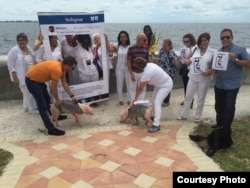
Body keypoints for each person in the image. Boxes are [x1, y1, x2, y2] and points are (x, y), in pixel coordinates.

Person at [25, 56, 78, 136]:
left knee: (47, 101)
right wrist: (57, 100)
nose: (72, 70)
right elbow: (53, 88)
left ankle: (54, 116)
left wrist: (72, 96)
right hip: (32, 80)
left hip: (38, 80)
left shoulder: (62, 68)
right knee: (42, 105)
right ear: (67, 66)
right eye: (73, 68)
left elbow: (65, 84)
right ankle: (50, 129)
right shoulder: (57, 69)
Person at [212, 28, 250, 129]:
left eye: (227, 37)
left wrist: (235, 59)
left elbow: (248, 63)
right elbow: (216, 69)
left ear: (232, 38)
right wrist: (212, 69)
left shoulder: (240, 49)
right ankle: (219, 124)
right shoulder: (218, 52)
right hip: (219, 84)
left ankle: (226, 128)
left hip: (232, 85)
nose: (225, 39)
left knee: (229, 107)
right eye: (222, 37)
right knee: (218, 106)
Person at [178, 32, 215, 123]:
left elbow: (215, 68)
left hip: (204, 78)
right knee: (188, 96)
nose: (203, 42)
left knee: (201, 97)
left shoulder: (212, 52)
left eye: (205, 40)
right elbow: (186, 60)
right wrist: (189, 61)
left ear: (208, 41)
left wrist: (209, 72)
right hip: (193, 76)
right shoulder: (195, 49)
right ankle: (183, 114)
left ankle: (197, 116)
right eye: (201, 40)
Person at [131, 57, 173, 133]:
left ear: (138, 66)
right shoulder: (150, 64)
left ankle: (156, 125)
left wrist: (135, 99)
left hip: (166, 85)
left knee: (157, 102)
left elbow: (140, 88)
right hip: (160, 85)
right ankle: (153, 116)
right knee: (153, 100)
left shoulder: (146, 73)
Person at [7, 32, 38, 115]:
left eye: (23, 40)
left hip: (32, 75)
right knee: (28, 92)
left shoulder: (29, 48)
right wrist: (14, 78)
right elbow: (10, 65)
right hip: (21, 76)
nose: (21, 42)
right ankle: (32, 108)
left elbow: (34, 59)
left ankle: (26, 107)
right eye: (19, 40)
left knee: (26, 93)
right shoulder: (14, 50)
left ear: (27, 41)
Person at [105, 31, 131, 106]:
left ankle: (129, 99)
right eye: (121, 37)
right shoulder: (117, 45)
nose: (123, 38)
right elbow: (109, 49)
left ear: (127, 37)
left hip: (128, 68)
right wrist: (106, 39)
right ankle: (120, 99)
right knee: (119, 84)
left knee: (129, 84)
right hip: (119, 68)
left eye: (124, 37)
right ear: (119, 38)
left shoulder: (130, 46)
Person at [127, 33, 149, 101]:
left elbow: (147, 62)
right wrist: (131, 74)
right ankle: (132, 103)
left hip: (143, 72)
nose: (146, 41)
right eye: (144, 40)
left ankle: (140, 103)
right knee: (132, 89)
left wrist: (147, 73)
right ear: (139, 40)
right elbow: (128, 62)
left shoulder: (146, 49)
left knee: (142, 88)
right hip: (134, 72)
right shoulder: (131, 48)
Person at [158, 38, 179, 107]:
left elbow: (176, 64)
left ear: (170, 46)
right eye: (163, 45)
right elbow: (159, 60)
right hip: (161, 72)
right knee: (161, 86)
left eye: (165, 46)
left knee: (167, 86)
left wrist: (175, 70)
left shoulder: (171, 53)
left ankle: (166, 101)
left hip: (169, 73)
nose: (164, 47)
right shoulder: (161, 51)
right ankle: (162, 99)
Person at [179, 33, 196, 107]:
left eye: (187, 41)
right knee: (185, 85)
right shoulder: (185, 49)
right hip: (185, 68)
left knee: (190, 86)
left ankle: (190, 101)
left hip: (191, 69)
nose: (186, 43)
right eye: (184, 41)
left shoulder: (195, 49)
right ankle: (187, 100)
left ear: (191, 41)